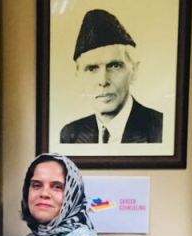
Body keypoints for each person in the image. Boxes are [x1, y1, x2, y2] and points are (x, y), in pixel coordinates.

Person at [60, 9, 162, 144]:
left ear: (134, 71)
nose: (103, 81)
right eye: (92, 68)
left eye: (114, 66)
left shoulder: (160, 129)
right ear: (79, 76)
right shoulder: (70, 134)